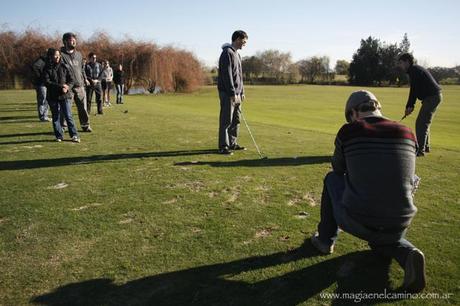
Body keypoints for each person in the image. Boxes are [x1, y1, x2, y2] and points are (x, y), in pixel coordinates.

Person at [310, 90, 425, 293]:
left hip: (361, 219)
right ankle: (408, 254)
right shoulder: (407, 132)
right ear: (377, 106)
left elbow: (338, 170)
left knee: (331, 179)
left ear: (354, 113)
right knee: (383, 235)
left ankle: (325, 240)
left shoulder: (349, 131)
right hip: (400, 222)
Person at [398, 53, 442, 156]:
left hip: (432, 97)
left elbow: (414, 90)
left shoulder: (414, 71)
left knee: (421, 123)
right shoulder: (414, 70)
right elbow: (415, 90)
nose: (399, 65)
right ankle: (425, 148)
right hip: (432, 97)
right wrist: (410, 106)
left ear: (407, 62)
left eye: (401, 63)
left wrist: (410, 106)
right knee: (424, 122)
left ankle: (420, 151)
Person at [217, 30, 248, 155]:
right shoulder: (227, 53)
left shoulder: (237, 54)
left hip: (237, 93)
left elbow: (239, 76)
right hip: (228, 93)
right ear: (237, 39)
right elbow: (227, 75)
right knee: (226, 120)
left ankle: (232, 143)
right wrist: (232, 93)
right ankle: (223, 146)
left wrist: (241, 92)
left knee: (236, 120)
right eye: (243, 41)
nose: (244, 44)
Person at [43, 48, 80, 143]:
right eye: (55, 55)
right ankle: (59, 136)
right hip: (53, 96)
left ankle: (74, 135)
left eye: (58, 55)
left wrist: (67, 87)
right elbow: (47, 82)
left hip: (65, 95)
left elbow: (72, 80)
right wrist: (61, 86)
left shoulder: (65, 67)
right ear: (51, 56)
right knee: (55, 117)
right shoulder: (47, 68)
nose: (57, 57)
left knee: (68, 116)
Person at [60, 32, 92, 132]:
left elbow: (82, 69)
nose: (74, 41)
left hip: (80, 86)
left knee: (83, 108)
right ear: (65, 41)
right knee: (66, 109)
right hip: (68, 87)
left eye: (74, 39)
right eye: (71, 39)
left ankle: (85, 125)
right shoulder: (60, 55)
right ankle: (63, 127)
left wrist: (85, 79)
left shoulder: (79, 54)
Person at [31, 51, 50, 122]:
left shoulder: (47, 61)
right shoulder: (41, 60)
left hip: (45, 83)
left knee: (46, 99)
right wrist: (40, 77)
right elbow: (34, 67)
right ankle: (42, 116)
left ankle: (45, 115)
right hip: (40, 84)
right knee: (42, 99)